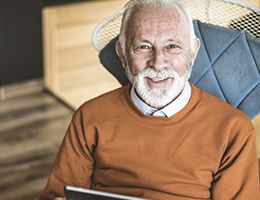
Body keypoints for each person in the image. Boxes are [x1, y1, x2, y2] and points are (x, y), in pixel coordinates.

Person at [40, 0, 260, 199]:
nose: (158, 63)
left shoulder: (233, 130)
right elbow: (57, 194)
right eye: (143, 47)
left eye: (172, 46)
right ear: (122, 53)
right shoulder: (89, 117)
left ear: (193, 51)